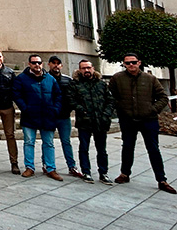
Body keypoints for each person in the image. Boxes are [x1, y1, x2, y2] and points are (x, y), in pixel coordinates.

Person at [109, 53, 175, 193]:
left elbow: (163, 97)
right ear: (124, 64)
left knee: (153, 149)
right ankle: (125, 173)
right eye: (127, 63)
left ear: (139, 62)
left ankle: (161, 180)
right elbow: (110, 97)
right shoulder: (117, 78)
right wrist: (120, 109)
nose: (131, 65)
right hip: (128, 120)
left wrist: (152, 110)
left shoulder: (150, 79)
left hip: (148, 120)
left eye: (133, 62)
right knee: (127, 147)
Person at [13, 54, 63, 180]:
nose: (37, 65)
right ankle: (29, 167)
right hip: (30, 115)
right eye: (34, 62)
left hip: (47, 116)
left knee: (49, 143)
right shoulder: (22, 79)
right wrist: (25, 108)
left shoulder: (50, 79)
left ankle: (50, 168)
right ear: (29, 64)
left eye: (39, 63)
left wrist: (55, 109)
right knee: (29, 142)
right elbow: (17, 94)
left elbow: (58, 95)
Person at [69, 60, 114, 185]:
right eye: (83, 68)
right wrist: (82, 111)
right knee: (84, 148)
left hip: (100, 121)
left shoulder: (101, 84)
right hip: (84, 122)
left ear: (93, 68)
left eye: (88, 68)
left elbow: (110, 101)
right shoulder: (75, 84)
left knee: (102, 150)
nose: (86, 70)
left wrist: (106, 115)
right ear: (80, 70)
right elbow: (71, 100)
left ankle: (103, 173)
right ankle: (86, 172)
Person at [48, 56, 81, 178]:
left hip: (64, 116)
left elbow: (72, 96)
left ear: (61, 66)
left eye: (58, 63)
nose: (56, 66)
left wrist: (69, 108)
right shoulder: (45, 79)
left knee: (66, 142)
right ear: (49, 64)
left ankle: (71, 166)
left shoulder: (67, 80)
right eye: (53, 63)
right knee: (48, 142)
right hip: (50, 116)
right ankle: (48, 165)